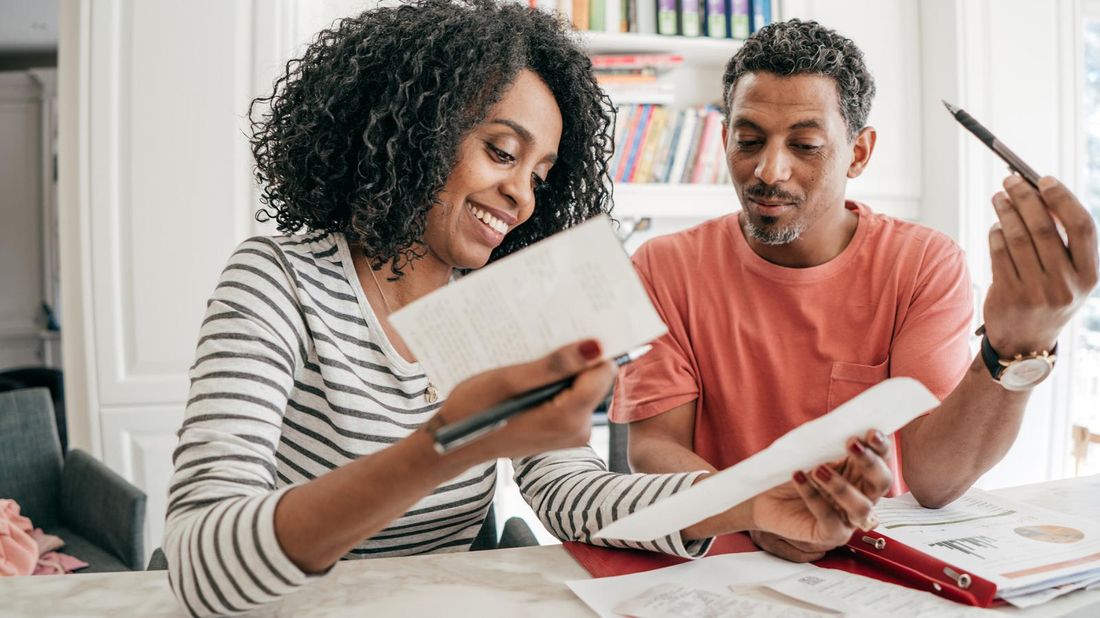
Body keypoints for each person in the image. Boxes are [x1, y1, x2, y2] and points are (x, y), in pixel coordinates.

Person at [163, 3, 895, 616]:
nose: (522, 197)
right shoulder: (279, 280)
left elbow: (572, 494)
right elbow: (198, 559)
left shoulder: (500, 309)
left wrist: (748, 499)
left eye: (542, 175)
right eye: (501, 152)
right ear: (414, 127)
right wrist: (451, 443)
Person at [613, 18, 1099, 563]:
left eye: (805, 145)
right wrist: (753, 509)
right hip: (715, 560)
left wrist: (1013, 346)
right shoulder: (662, 265)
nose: (768, 170)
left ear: (859, 154)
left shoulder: (921, 264)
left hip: (865, 562)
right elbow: (653, 445)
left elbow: (934, 482)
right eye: (748, 140)